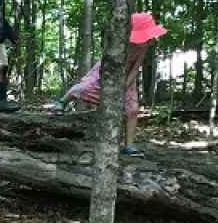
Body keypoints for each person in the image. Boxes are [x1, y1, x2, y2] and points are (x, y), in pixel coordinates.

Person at [52, 12, 167, 157]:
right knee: (84, 88)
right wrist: (107, 80)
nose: (148, 39)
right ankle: (62, 102)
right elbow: (107, 60)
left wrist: (126, 85)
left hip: (127, 78)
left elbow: (136, 67)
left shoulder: (143, 48)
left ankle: (129, 146)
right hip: (106, 72)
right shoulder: (121, 43)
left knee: (132, 110)